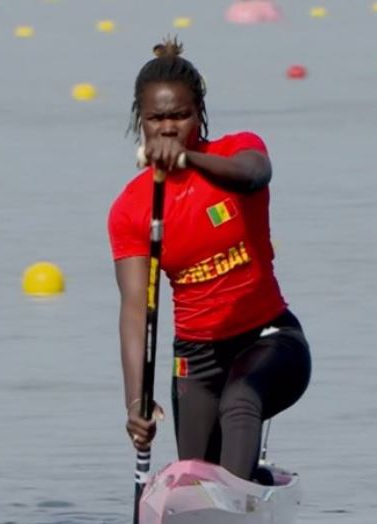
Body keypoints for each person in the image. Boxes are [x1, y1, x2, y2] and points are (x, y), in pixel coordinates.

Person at [107, 37, 311, 481]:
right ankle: (243, 487)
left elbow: (255, 175)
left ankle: (238, 502)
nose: (167, 128)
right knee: (194, 477)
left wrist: (188, 159)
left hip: (270, 341)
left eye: (179, 116)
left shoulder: (238, 150)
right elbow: (135, 307)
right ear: (139, 122)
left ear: (199, 114)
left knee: (240, 399)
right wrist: (135, 400)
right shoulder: (131, 209)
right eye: (156, 118)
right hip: (196, 361)